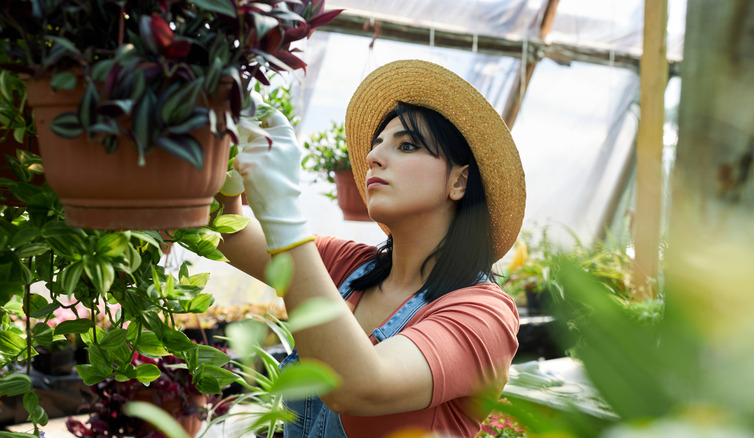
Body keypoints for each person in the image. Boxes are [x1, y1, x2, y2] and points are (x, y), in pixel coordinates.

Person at [216, 59, 526, 438]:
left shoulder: (482, 314)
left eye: (407, 145)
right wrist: (229, 164)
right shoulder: (349, 268)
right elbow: (225, 233)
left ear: (459, 182)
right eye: (376, 145)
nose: (372, 157)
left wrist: (281, 208)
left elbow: (359, 388)